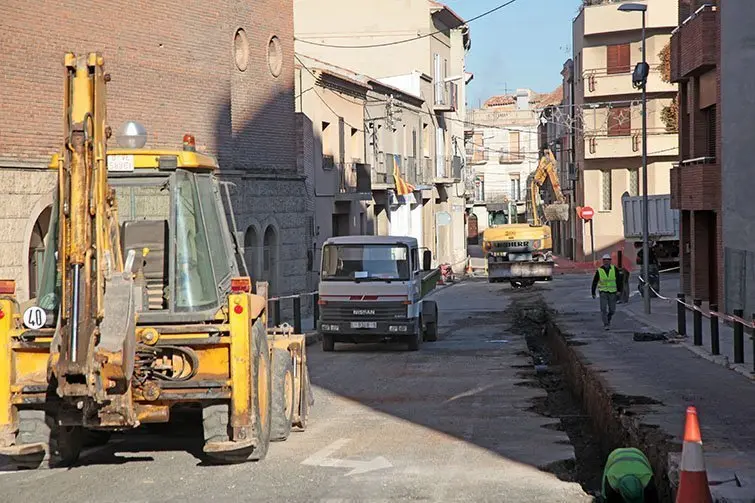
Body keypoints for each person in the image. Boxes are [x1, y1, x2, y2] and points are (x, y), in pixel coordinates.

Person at [591, 253, 623, 330]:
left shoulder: (614, 269)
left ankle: (608, 318)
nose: (606, 261)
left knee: (612, 310)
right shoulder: (599, 270)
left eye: (608, 260)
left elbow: (619, 280)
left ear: (610, 261)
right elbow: (595, 282)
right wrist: (593, 292)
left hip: (612, 292)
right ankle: (606, 324)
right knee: (603, 309)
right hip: (603, 292)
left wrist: (619, 290)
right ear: (603, 261)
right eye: (605, 260)